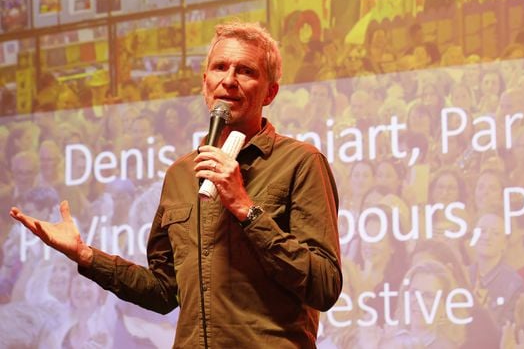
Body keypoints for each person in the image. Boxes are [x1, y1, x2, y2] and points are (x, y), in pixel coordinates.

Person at [9, 21, 342, 348]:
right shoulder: (181, 174)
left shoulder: (300, 162)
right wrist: (86, 256)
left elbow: (324, 285)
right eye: (219, 67)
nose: (228, 80)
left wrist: (245, 207)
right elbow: (164, 290)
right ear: (204, 83)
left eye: (246, 71)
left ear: (270, 92)